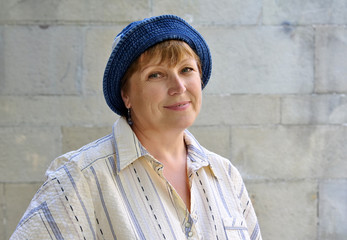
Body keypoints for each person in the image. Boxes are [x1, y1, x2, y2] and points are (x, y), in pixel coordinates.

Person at [11, 15, 262, 240]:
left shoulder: (225, 174)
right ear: (126, 96)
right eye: (156, 74)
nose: (179, 87)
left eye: (186, 69)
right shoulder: (81, 176)